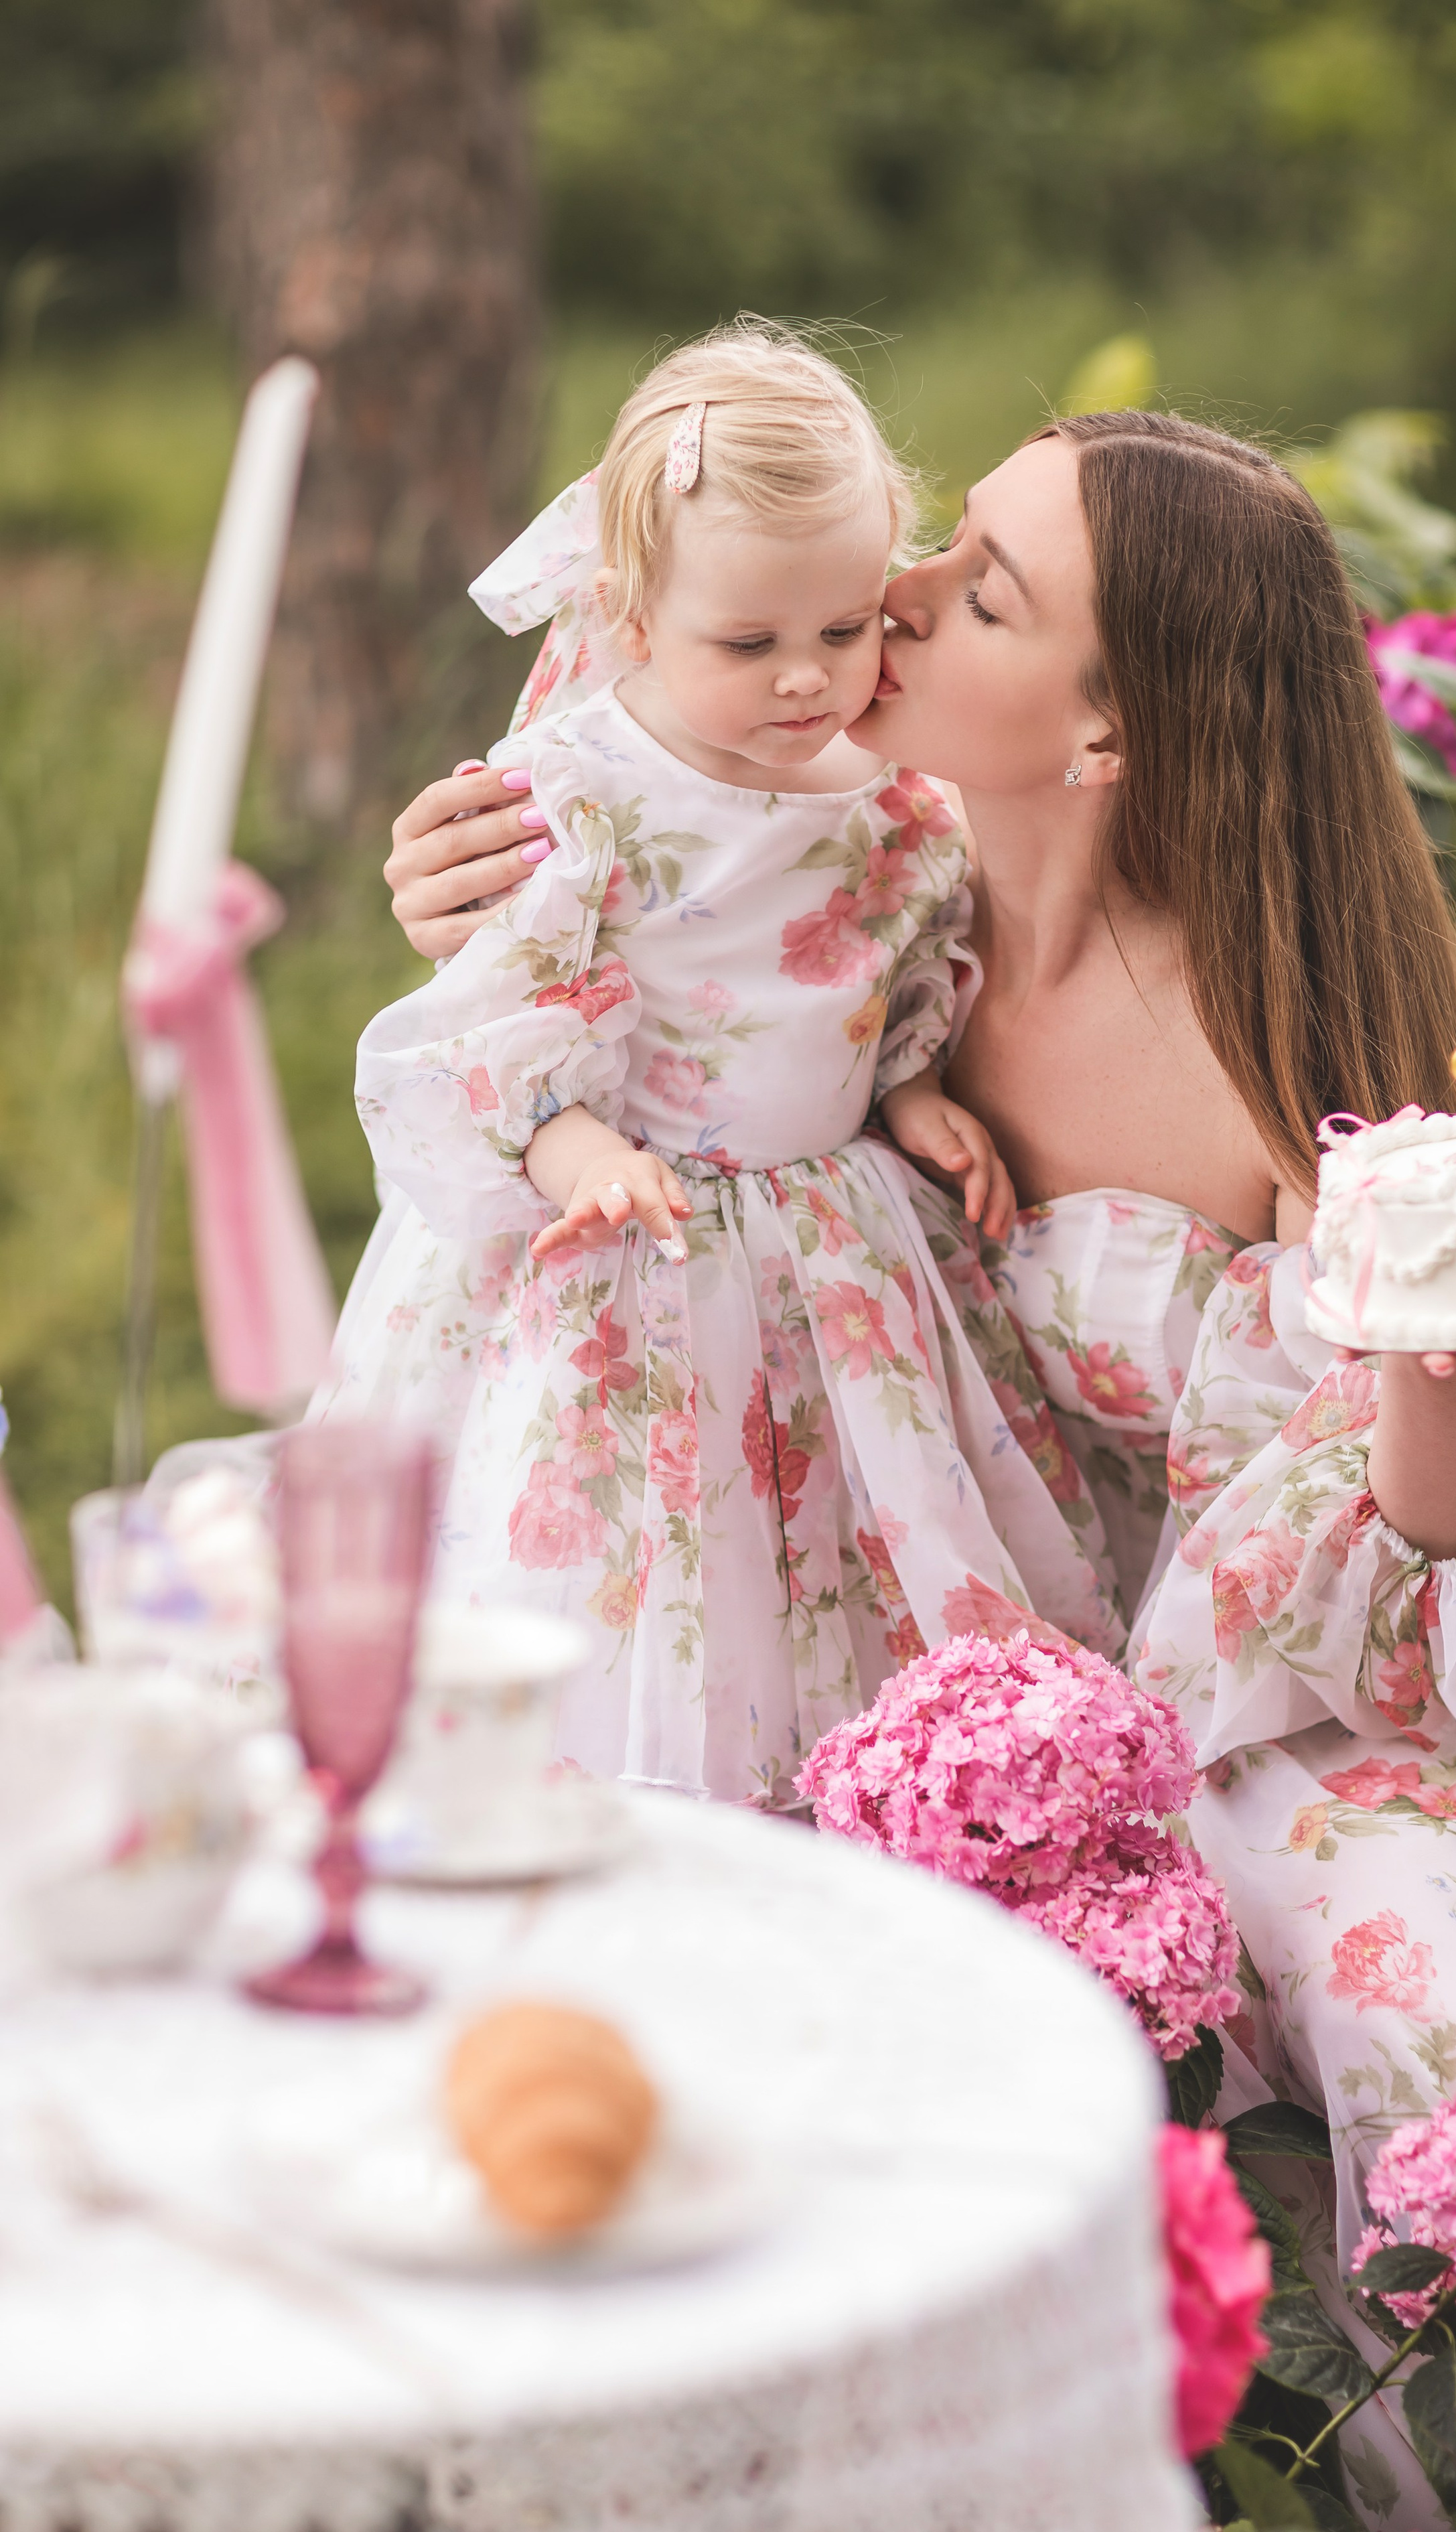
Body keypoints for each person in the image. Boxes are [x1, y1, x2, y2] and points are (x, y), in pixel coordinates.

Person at [388, 401, 1456, 2440]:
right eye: (945, 535)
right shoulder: (846, 839)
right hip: (895, 1574)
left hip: (1274, 1657)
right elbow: (623, 811)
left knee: (1361, 1933)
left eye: (981, 591)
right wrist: (463, 894)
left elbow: (1427, 1542)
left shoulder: (1259, 1043)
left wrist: (1433, 1365)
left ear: (1106, 732)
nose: (897, 592)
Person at [321, 324, 1113, 1808]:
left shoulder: (892, 787)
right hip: (629, 1234)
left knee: (826, 1545)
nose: (809, 680)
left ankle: (868, 1813)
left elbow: (895, 949)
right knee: (643, 1552)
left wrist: (908, 1087)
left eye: (845, 626)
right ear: (630, 614)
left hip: (832, 1242)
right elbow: (504, 1023)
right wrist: (580, 1153)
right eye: (748, 646)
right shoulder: (585, 793)